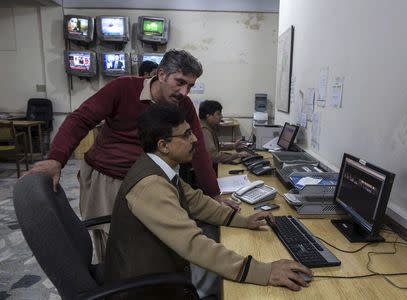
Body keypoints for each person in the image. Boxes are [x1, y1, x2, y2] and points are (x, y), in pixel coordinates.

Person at [26, 49, 235, 262]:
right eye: (179, 82)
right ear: (161, 74)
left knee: (151, 246)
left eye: (189, 85)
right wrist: (56, 158)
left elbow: (197, 150)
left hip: (152, 181)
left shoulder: (184, 105)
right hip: (110, 177)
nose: (184, 92)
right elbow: (80, 119)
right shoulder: (123, 88)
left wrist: (214, 194)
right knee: (115, 248)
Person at [104, 104, 312, 299]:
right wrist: (263, 272)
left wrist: (243, 220)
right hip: (143, 286)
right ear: (163, 145)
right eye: (186, 134)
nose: (195, 138)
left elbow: (196, 201)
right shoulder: (151, 185)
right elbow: (192, 243)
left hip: (158, 265)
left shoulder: (160, 168)